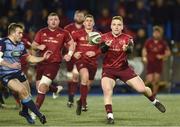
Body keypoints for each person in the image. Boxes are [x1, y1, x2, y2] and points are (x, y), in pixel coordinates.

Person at [100, 16, 166, 124]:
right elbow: (102, 50)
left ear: (122, 27)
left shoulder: (127, 38)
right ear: (111, 26)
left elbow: (130, 49)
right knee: (107, 90)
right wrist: (105, 47)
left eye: (119, 25)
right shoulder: (104, 37)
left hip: (124, 69)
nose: (116, 27)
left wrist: (127, 49)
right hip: (109, 70)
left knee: (141, 89)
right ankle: (110, 116)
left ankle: (154, 101)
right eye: (114, 24)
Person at [0, 23, 49, 124]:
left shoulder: (21, 45)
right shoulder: (3, 43)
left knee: (27, 94)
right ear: (13, 33)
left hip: (18, 73)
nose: (22, 35)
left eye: (22, 33)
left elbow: (29, 58)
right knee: (22, 90)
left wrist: (43, 58)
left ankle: (24, 112)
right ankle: (39, 115)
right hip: (5, 75)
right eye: (19, 33)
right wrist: (10, 65)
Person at [31, 12, 75, 118]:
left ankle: (34, 113)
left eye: (55, 19)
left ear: (59, 21)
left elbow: (72, 44)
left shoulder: (64, 32)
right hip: (41, 63)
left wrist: (69, 54)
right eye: (51, 19)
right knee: (40, 87)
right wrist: (37, 47)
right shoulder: (42, 32)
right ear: (47, 21)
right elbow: (33, 45)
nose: (53, 21)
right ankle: (55, 89)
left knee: (41, 87)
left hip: (54, 63)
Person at [72, 14, 101, 115]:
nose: (88, 22)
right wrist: (74, 52)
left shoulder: (98, 34)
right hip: (81, 60)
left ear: (93, 23)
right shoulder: (77, 33)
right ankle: (84, 103)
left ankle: (80, 101)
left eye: (90, 21)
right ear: (84, 23)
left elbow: (103, 49)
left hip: (93, 62)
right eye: (87, 20)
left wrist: (95, 53)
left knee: (87, 85)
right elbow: (70, 45)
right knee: (85, 77)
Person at [142, 26, 171, 97]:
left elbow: (168, 52)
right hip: (150, 63)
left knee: (156, 80)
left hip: (158, 63)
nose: (156, 34)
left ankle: (154, 94)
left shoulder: (163, 43)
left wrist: (162, 56)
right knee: (149, 80)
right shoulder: (149, 41)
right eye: (155, 32)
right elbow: (144, 49)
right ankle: (148, 92)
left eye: (158, 33)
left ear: (160, 34)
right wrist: (144, 57)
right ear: (153, 33)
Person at [64, 10, 85, 107]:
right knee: (70, 77)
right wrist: (70, 50)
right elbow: (63, 42)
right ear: (74, 17)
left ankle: (73, 98)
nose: (79, 17)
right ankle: (70, 97)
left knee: (76, 76)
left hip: (81, 57)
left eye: (81, 16)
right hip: (70, 56)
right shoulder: (68, 28)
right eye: (78, 15)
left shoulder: (87, 28)